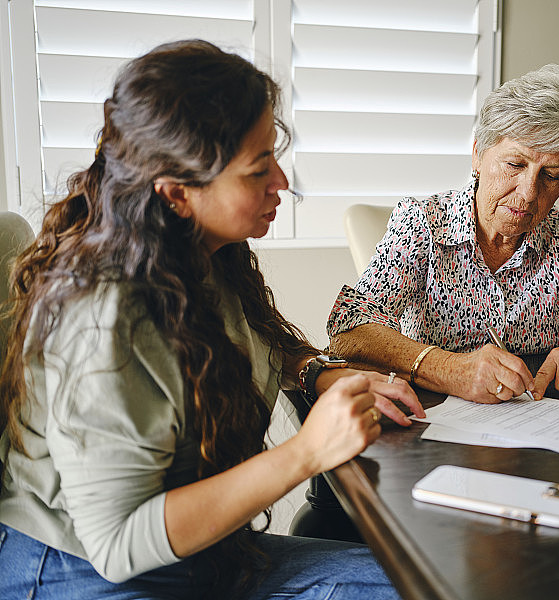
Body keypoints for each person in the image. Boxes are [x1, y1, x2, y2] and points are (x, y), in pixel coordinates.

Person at [0, 40, 423, 600]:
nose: (282, 183)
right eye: (257, 170)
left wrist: (321, 374)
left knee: (426, 582)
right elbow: (120, 543)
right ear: (177, 193)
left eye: (274, 155)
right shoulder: (104, 318)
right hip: (78, 573)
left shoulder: (200, 253)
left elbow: (255, 343)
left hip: (198, 555)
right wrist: (306, 453)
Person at [327, 64, 559, 405]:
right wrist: (447, 368)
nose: (528, 193)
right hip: (433, 423)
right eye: (514, 164)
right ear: (478, 155)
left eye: (552, 176)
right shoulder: (423, 223)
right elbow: (350, 329)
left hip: (535, 424)